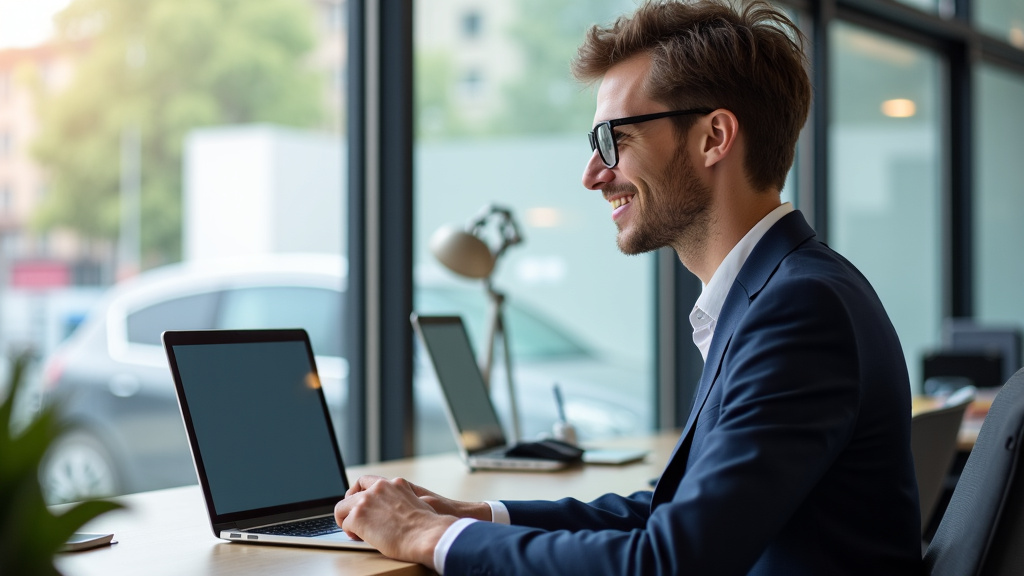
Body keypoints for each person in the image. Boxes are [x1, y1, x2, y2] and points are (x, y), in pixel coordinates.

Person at [334, 1, 923, 574]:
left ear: (714, 136)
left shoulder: (799, 309)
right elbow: (673, 516)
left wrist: (424, 533)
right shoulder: (783, 290)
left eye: (613, 140)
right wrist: (480, 515)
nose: (592, 174)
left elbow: (670, 560)